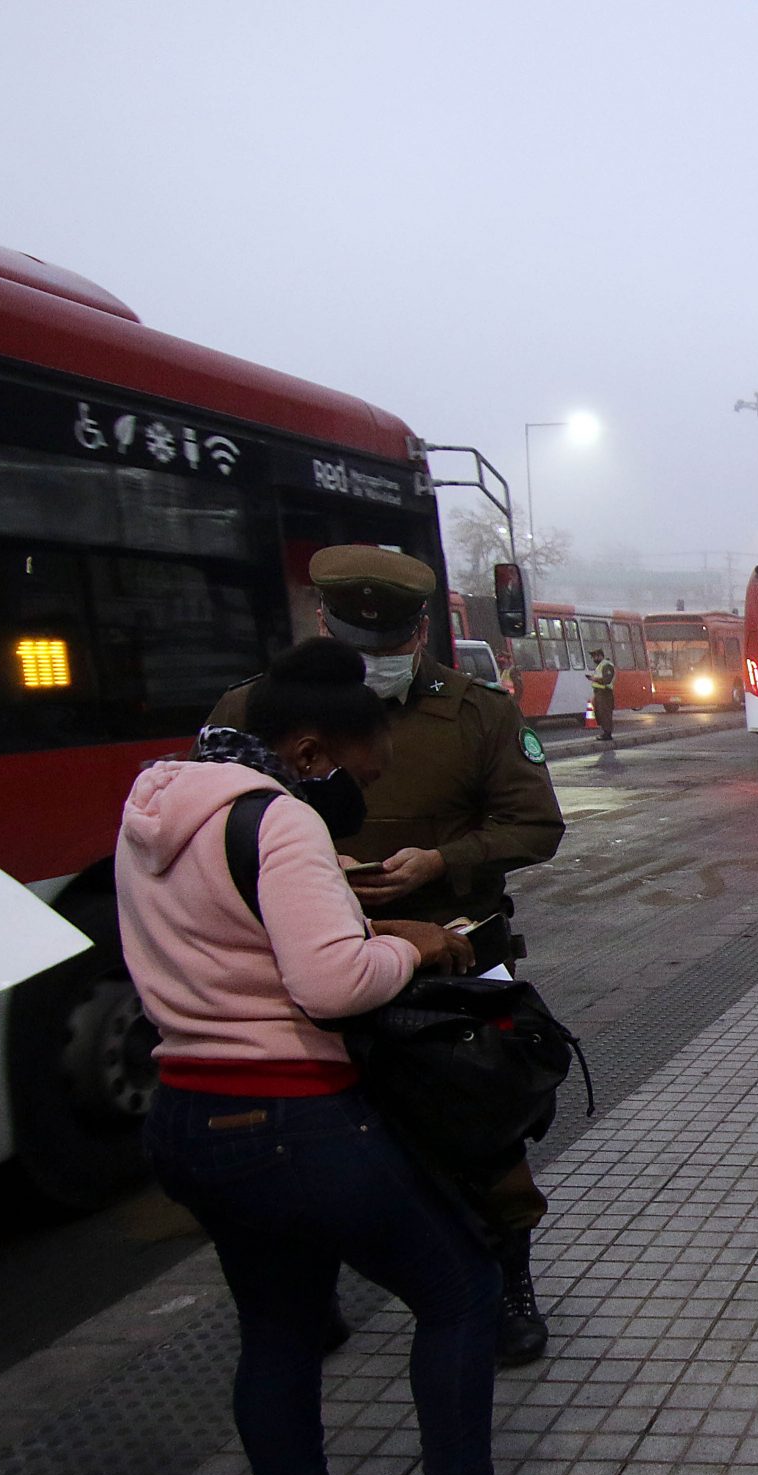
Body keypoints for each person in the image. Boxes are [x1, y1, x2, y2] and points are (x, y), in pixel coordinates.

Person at [119, 639, 567, 1475]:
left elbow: (228, 940)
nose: (366, 786)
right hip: (295, 1117)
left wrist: (353, 920)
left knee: (275, 1328)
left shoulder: (159, 801)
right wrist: (414, 946)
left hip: (190, 1114)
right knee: (460, 1288)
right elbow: (325, 984)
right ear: (313, 749)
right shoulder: (276, 818)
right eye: (364, 768)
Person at [211, 547, 569, 1366]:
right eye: (356, 635)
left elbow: (536, 826)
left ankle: (506, 1277)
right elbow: (217, 820)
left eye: (393, 638)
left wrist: (442, 861)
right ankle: (311, 1296)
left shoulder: (476, 710)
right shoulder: (252, 709)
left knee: (482, 1131)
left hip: (449, 968)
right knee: (305, 1143)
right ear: (324, 623)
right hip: (303, 964)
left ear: (419, 632)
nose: (375, 656)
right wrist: (306, 862)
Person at [587, 649, 618, 744]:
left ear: (600, 656)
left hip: (605, 693)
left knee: (605, 713)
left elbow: (607, 680)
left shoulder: (606, 665)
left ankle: (607, 734)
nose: (593, 659)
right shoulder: (601, 666)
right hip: (600, 693)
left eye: (595, 657)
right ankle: (606, 732)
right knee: (601, 713)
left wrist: (593, 679)